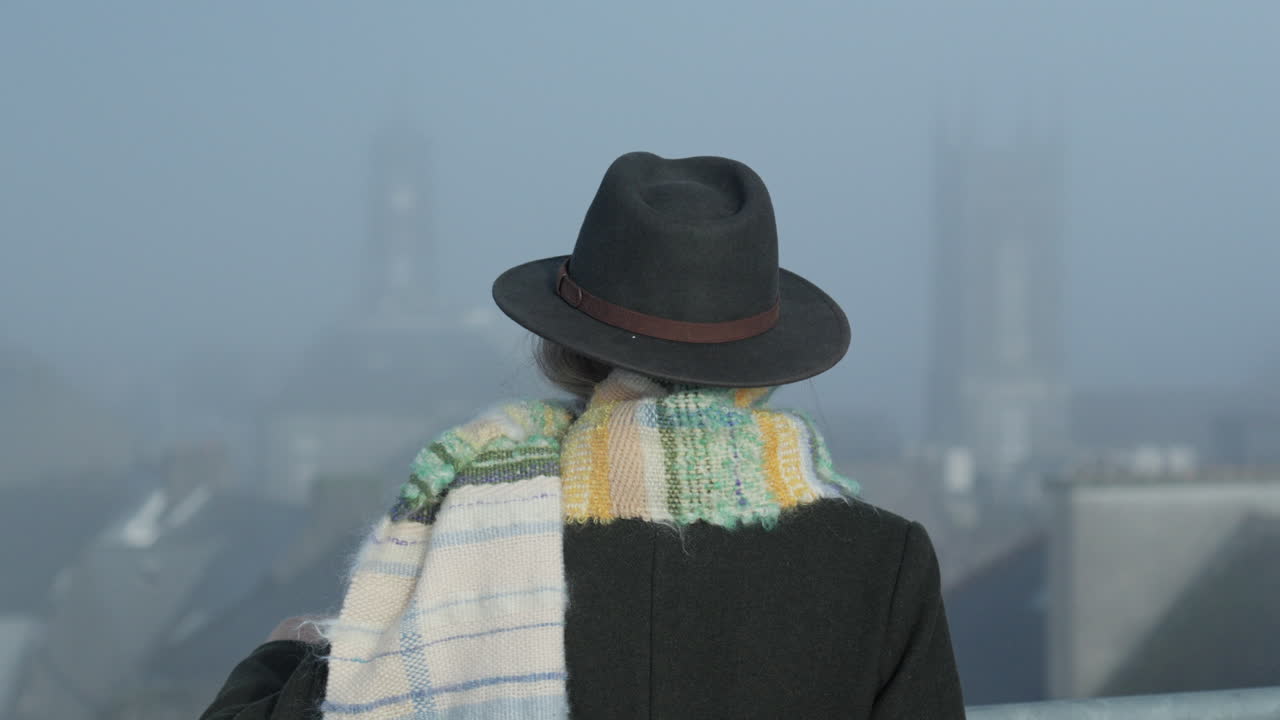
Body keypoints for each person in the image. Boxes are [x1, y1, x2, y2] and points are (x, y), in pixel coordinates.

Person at [201, 152, 965, 719]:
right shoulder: (882, 562)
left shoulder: (471, 529)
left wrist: (286, 653)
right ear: (761, 360)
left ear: (566, 345)